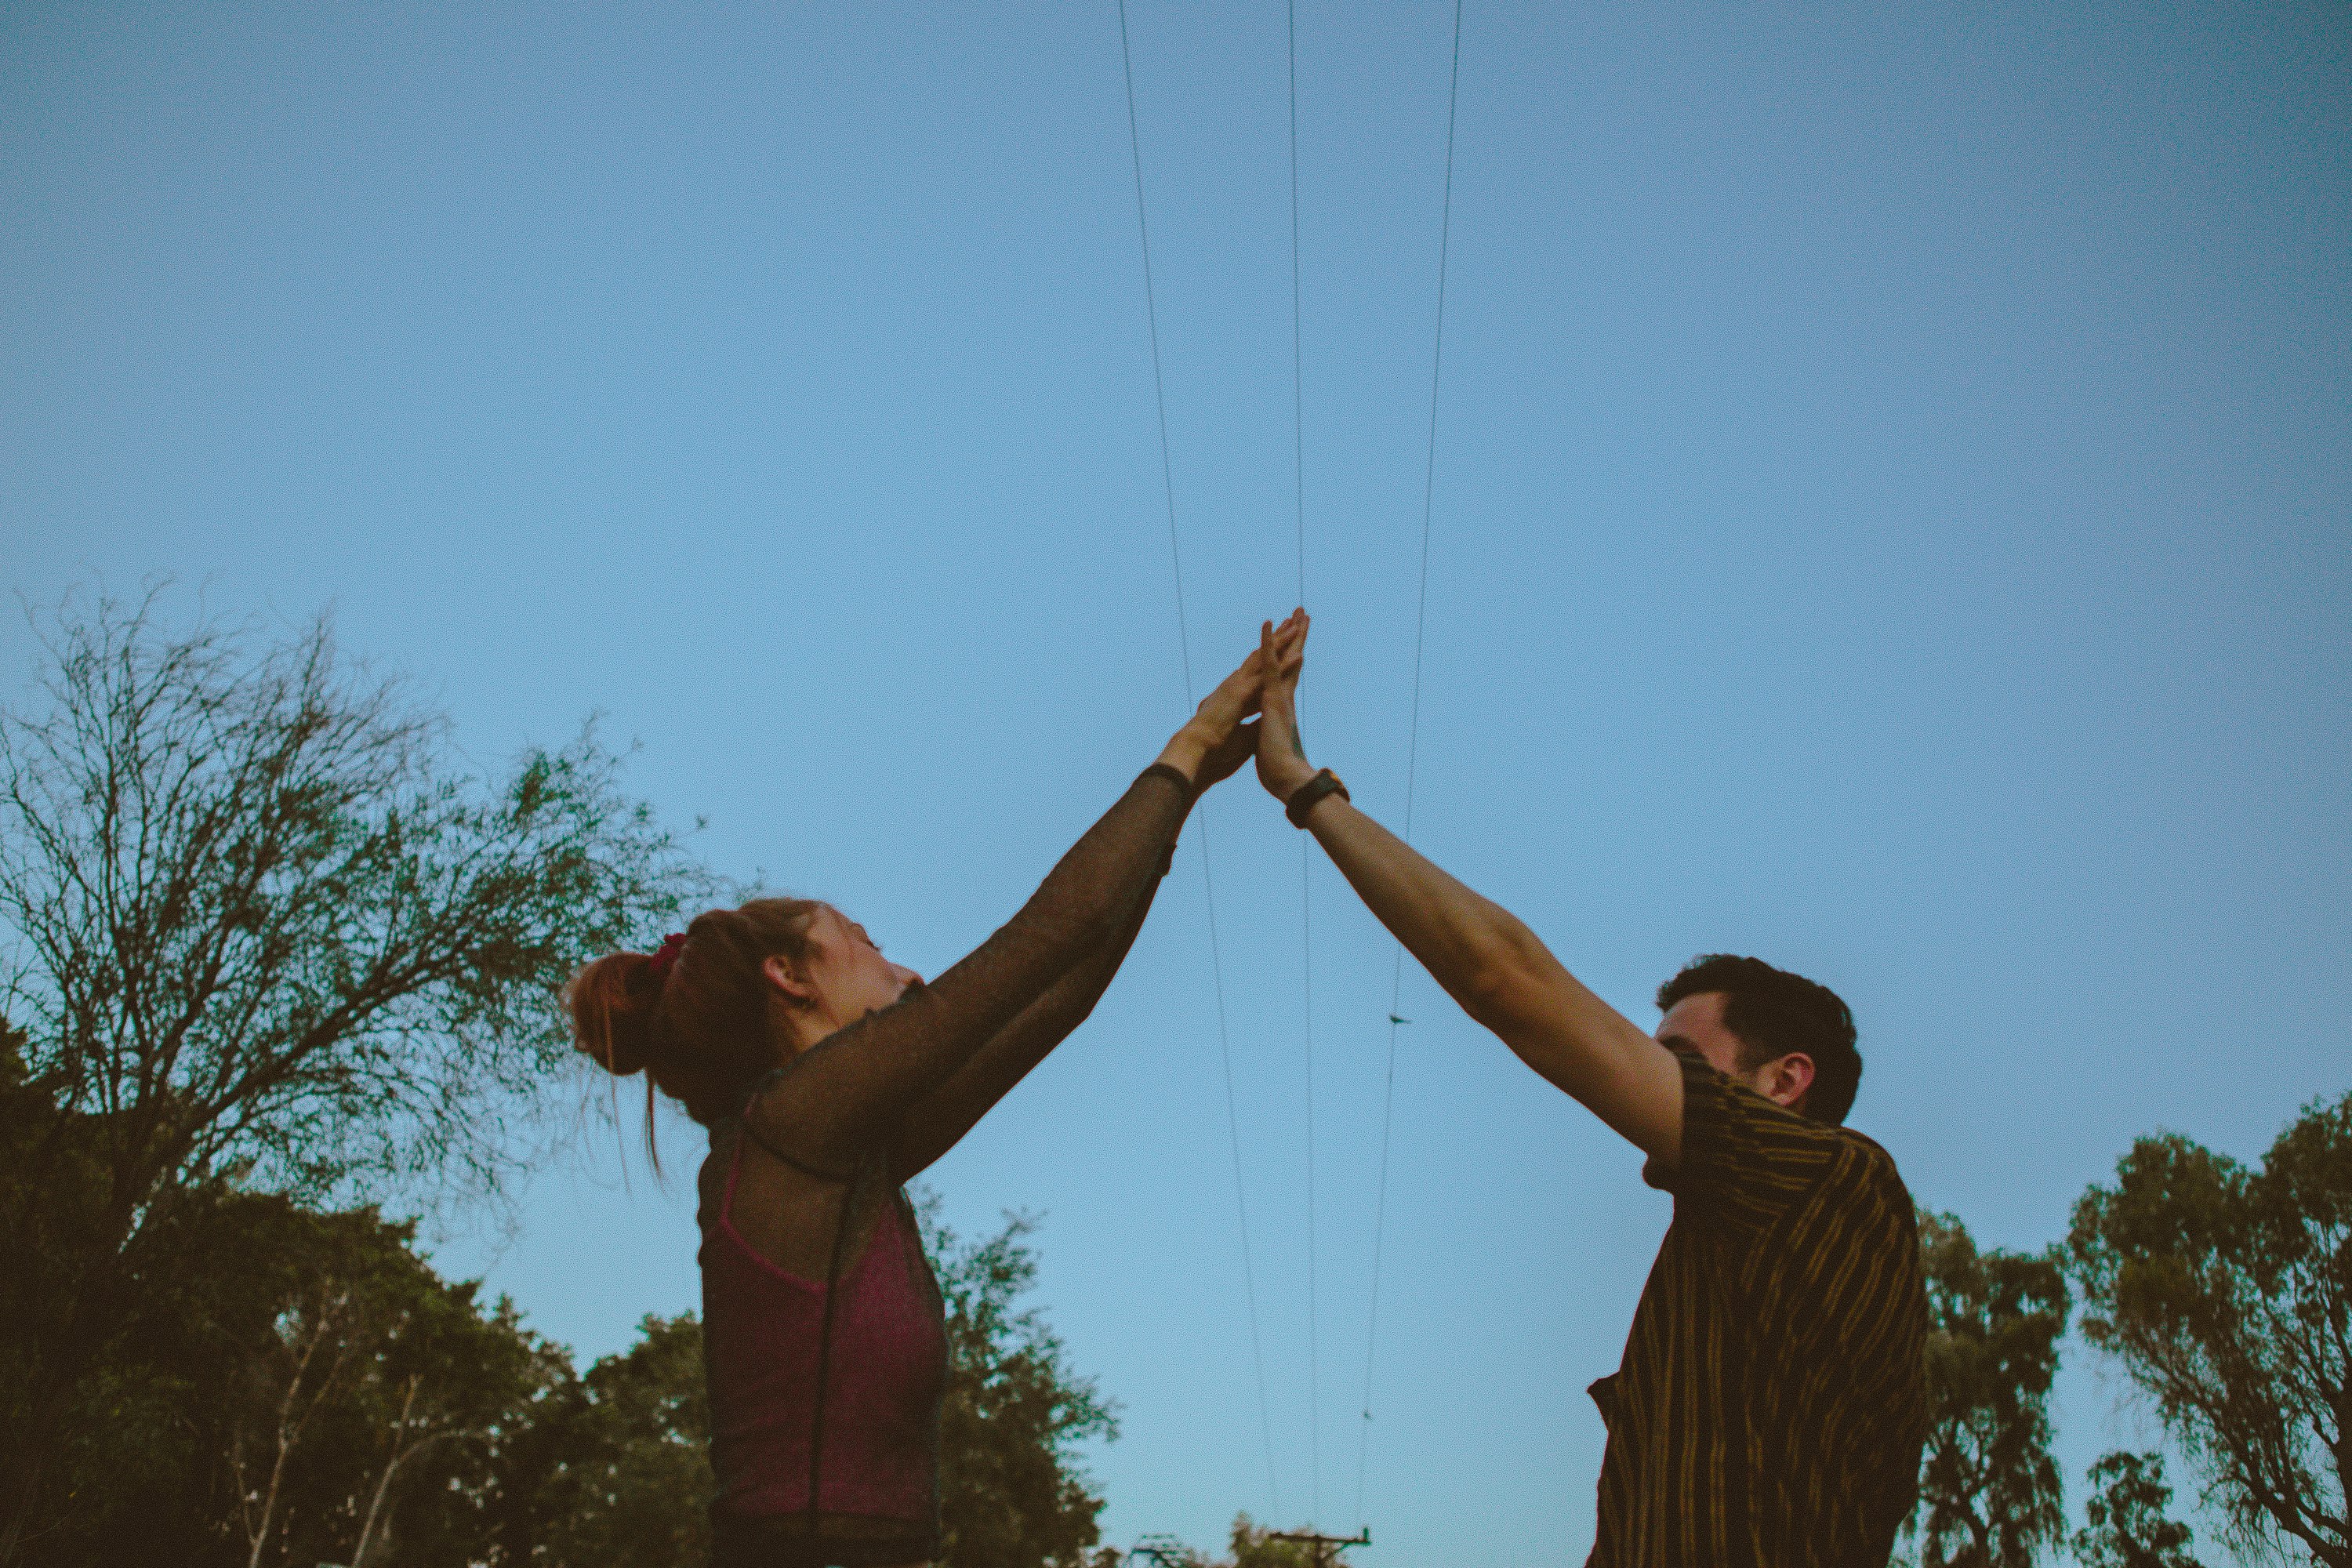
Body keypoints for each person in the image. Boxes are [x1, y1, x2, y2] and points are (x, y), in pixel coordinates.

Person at [568, 612, 1305, 1568]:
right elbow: (1051, 935)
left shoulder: (840, 1150)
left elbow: (1064, 990)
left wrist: (1183, 801)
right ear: (789, 975)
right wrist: (1193, 740)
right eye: (865, 938)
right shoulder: (790, 1126)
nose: (903, 970)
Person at [1249, 613, 1927, 1567]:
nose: (1648, 1073)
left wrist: (1306, 788)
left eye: (1681, 1056)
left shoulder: (1831, 1180)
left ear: (1785, 1082)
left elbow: (1506, 980)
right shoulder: (1714, 1271)